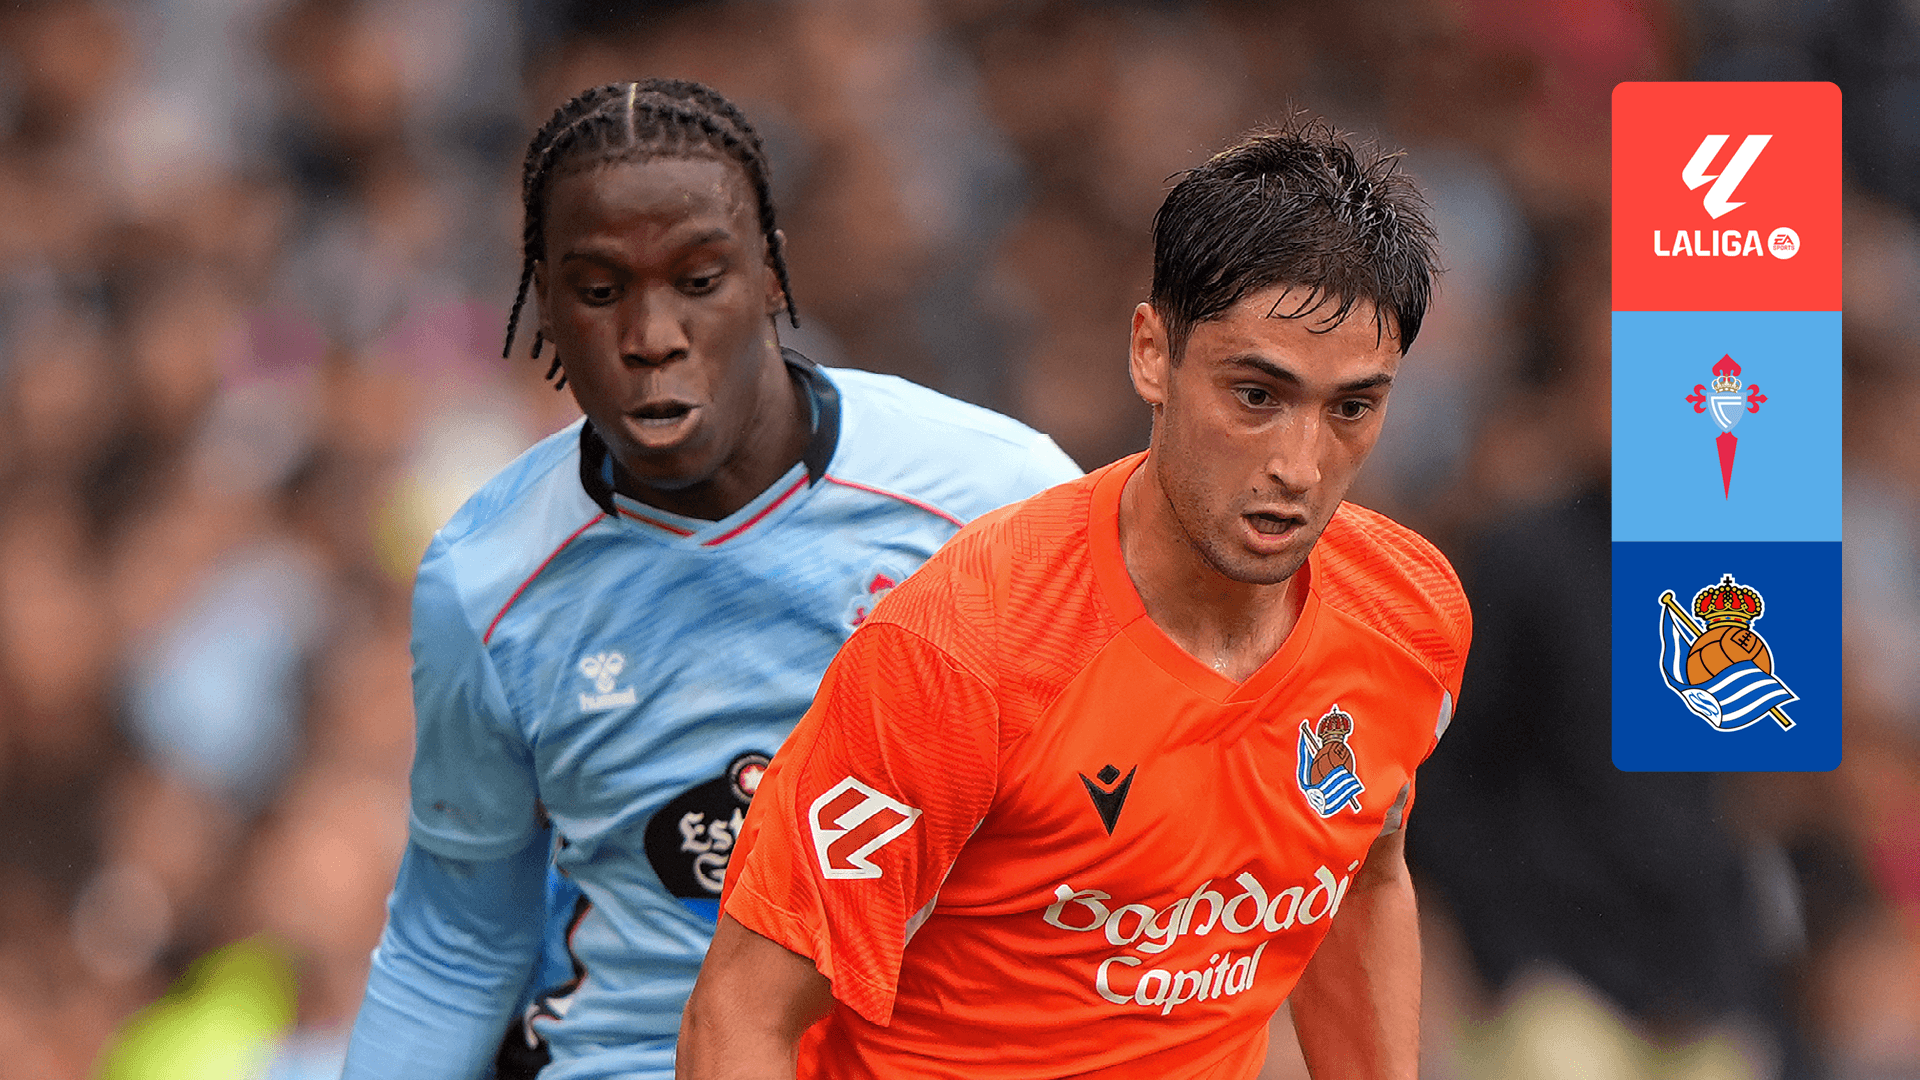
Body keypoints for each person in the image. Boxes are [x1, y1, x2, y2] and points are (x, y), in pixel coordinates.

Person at [681, 120, 1468, 1080]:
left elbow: (1361, 875)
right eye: (1257, 395)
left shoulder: (1410, 614)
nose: (1299, 467)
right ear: (1152, 354)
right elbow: (740, 1017)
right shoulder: (960, 653)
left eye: (1351, 408)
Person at [338, 79, 1081, 1080]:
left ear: (770, 275)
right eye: (600, 291)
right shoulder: (487, 578)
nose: (652, 336)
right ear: (544, 304)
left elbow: (1131, 829)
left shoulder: (1001, 502)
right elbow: (455, 945)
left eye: (697, 279)